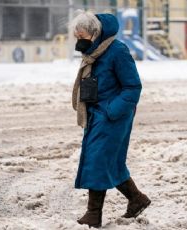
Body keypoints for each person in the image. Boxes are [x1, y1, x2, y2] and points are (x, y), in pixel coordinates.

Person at [70, 11, 151, 228]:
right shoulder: (94, 52)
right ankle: (137, 199)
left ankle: (93, 214)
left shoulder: (117, 51)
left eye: (82, 36)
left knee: (97, 160)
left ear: (95, 33)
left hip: (113, 116)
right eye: (76, 36)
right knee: (109, 161)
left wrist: (111, 111)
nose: (79, 41)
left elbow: (133, 87)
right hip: (97, 114)